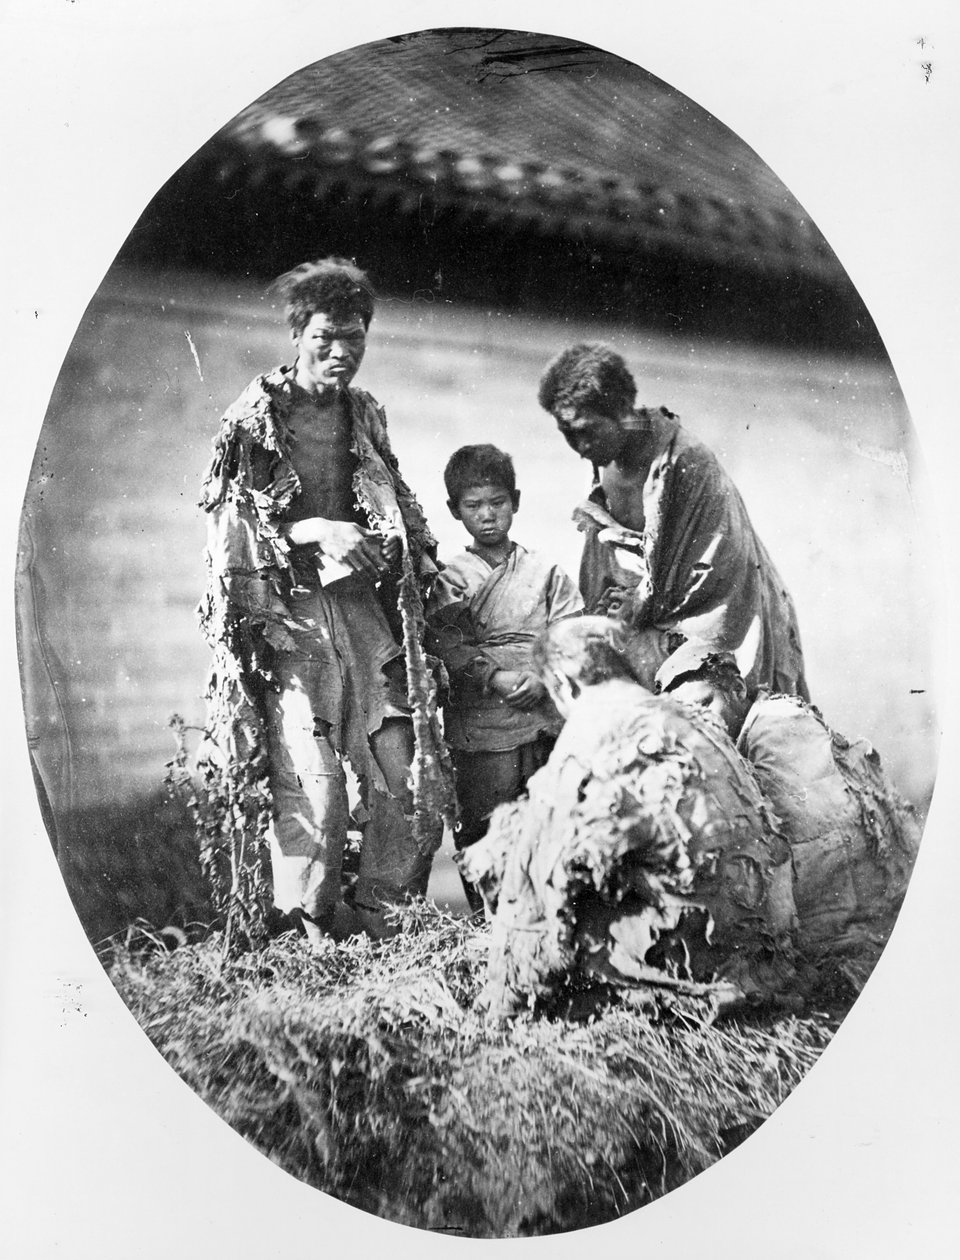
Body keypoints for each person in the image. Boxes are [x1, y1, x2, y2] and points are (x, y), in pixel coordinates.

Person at [197, 257, 452, 946]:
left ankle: (387, 922)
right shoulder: (254, 417)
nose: (342, 354)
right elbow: (230, 523)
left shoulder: (364, 413)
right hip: (293, 616)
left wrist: (416, 555)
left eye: (355, 339)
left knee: (405, 764)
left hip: (365, 613)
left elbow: (394, 494)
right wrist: (313, 527)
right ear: (296, 334)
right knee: (311, 779)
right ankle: (308, 927)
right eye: (326, 338)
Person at [460, 617, 799, 1020]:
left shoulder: (589, 732)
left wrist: (499, 1004)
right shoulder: (690, 718)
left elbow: (534, 896)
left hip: (705, 972)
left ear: (565, 685)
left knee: (532, 857)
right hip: (769, 956)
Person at [537, 342, 808, 698]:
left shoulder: (687, 463)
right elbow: (607, 562)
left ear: (620, 408)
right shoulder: (605, 459)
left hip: (714, 620)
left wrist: (643, 604)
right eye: (567, 434)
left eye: (586, 430)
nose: (579, 446)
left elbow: (722, 572)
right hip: (643, 621)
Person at [658, 642, 921, 988]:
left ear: (737, 690)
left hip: (862, 913)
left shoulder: (775, 727)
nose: (704, 724)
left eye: (706, 704)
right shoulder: (751, 733)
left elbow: (818, 846)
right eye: (690, 719)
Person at [427, 444, 583, 910]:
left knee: (547, 824)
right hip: (480, 727)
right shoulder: (449, 579)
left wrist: (543, 675)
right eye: (473, 506)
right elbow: (444, 641)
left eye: (497, 503)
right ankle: (489, 928)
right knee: (483, 829)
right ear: (455, 511)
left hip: (541, 718)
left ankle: (546, 925)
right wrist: (492, 676)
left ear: (515, 500)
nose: (488, 516)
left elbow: (571, 633)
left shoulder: (547, 573)